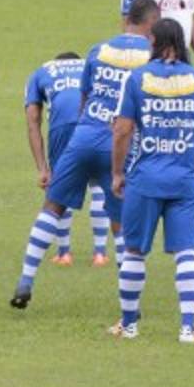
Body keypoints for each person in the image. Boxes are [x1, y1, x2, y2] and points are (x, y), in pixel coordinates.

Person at [10, 0, 159, 310]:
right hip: (118, 142)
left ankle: (25, 280)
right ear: (151, 23)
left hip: (83, 135)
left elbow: (84, 97)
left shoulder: (98, 50)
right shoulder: (150, 55)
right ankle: (128, 301)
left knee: (52, 206)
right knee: (120, 223)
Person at [108, 19, 194, 343]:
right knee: (186, 251)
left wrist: (118, 172)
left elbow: (121, 130)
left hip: (145, 178)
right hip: (184, 180)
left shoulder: (136, 79)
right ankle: (188, 327)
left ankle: (129, 325)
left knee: (134, 252)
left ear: (155, 42)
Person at [25, 52, 112, 266]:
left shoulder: (40, 71)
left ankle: (64, 253)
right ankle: (100, 253)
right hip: (95, 123)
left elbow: (33, 121)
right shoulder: (91, 65)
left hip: (61, 128)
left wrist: (43, 169)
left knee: (61, 188)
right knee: (99, 186)